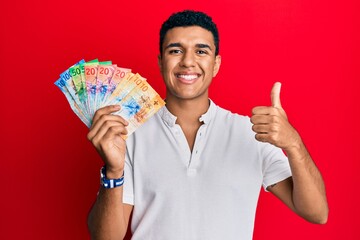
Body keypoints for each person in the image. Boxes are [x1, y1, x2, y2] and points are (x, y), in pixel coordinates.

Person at [87, 10, 328, 240]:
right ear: (161, 62)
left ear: (216, 64)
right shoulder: (131, 134)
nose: (188, 62)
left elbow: (317, 213)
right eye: (175, 51)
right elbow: (106, 237)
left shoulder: (251, 133)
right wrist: (113, 171)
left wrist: (293, 144)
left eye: (201, 51)